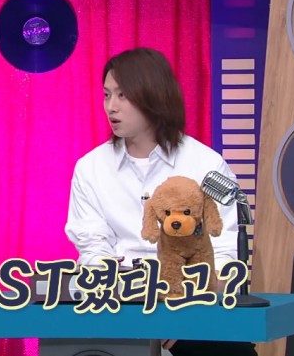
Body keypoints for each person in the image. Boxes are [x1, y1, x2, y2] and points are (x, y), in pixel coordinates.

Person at [64, 47, 258, 356]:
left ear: (153, 97)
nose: (111, 107)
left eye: (123, 96)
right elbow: (93, 250)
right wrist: (128, 307)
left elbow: (224, 255)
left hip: (195, 310)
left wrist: (182, 312)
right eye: (106, 95)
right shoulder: (91, 168)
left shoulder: (206, 165)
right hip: (121, 310)